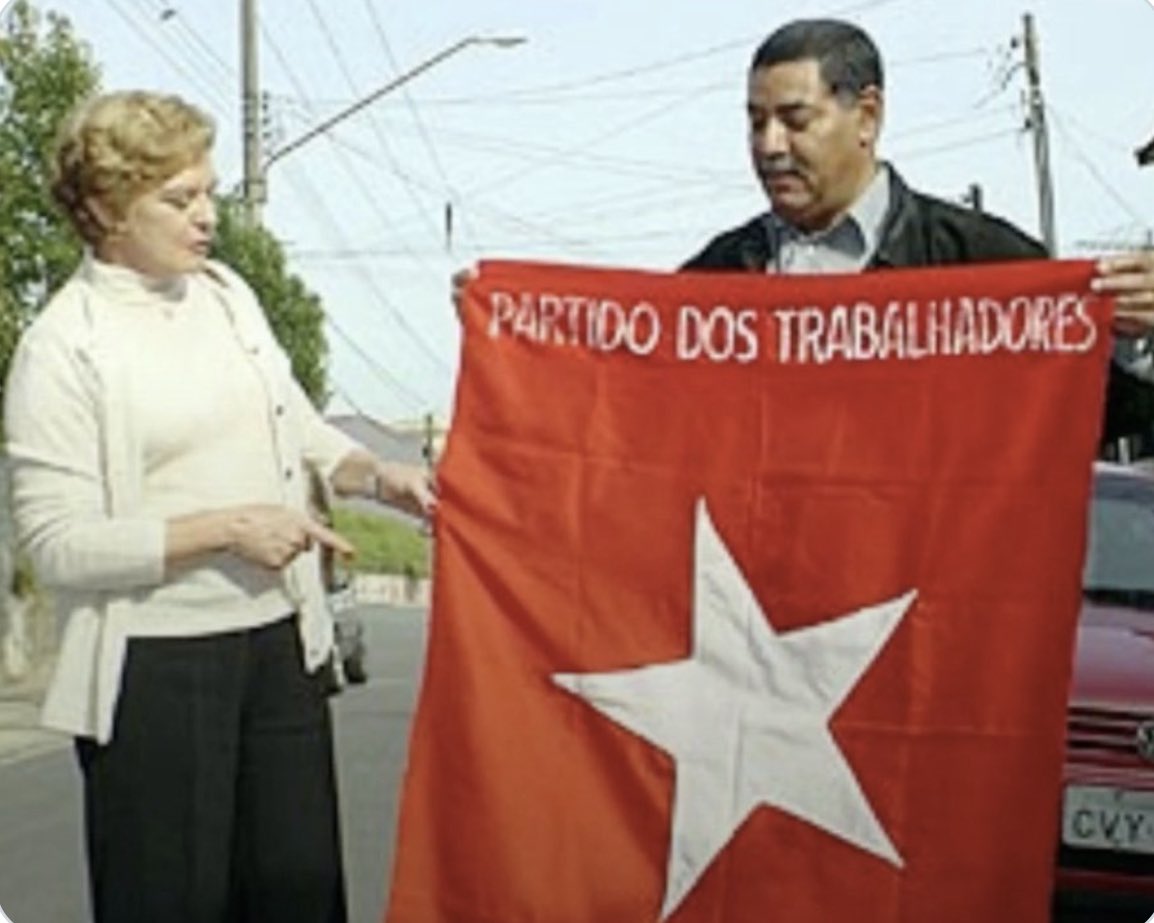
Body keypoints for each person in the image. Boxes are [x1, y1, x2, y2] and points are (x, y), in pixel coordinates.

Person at [2, 90, 434, 923]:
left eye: (208, 192)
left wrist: (376, 474)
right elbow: (57, 543)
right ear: (104, 208)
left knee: (301, 895)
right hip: (155, 673)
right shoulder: (63, 346)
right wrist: (227, 530)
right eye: (179, 199)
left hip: (281, 645)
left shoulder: (229, 293)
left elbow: (293, 419)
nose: (207, 217)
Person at [680, 18, 1154, 429]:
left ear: (867, 116)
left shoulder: (982, 263)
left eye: (794, 120)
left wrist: (1133, 328)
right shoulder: (710, 283)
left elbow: (1098, 414)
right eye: (756, 122)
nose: (770, 146)